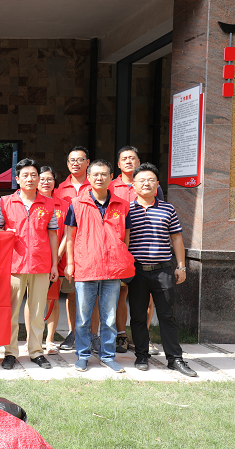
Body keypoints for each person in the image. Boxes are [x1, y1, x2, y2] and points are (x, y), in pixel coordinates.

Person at [126, 163, 197, 377]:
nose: (146, 183)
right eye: (141, 180)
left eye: (150, 180)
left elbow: (176, 238)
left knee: (167, 316)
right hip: (137, 271)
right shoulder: (127, 210)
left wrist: (181, 266)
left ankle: (174, 359)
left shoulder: (168, 209)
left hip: (163, 270)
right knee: (138, 316)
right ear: (133, 185)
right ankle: (141, 355)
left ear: (157, 184)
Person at [65, 159, 134, 373]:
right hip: (86, 266)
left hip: (113, 268)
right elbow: (70, 237)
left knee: (109, 318)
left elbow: (126, 236)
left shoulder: (122, 204)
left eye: (104, 174)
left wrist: (121, 258)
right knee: (83, 318)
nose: (99, 178)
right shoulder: (77, 203)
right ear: (88, 177)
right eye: (95, 174)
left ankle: (107, 356)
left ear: (111, 177)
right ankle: (83, 355)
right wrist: (70, 263)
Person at [0, 159, 59, 370]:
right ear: (17, 179)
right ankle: (10, 352)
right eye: (25, 175)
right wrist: (5, 233)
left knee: (37, 312)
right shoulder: (5, 202)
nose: (30, 179)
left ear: (39, 178)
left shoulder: (48, 204)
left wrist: (54, 265)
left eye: (33, 175)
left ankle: (36, 352)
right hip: (14, 264)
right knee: (11, 312)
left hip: (41, 264)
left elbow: (52, 234)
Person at [108, 146, 164, 354]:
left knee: (147, 296)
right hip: (121, 248)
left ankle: (143, 338)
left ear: (139, 162)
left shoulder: (152, 185)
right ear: (118, 164)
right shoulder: (111, 186)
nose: (128, 161)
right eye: (124, 158)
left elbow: (160, 213)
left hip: (146, 248)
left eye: (132, 158)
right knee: (121, 292)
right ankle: (121, 336)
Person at [22, 166, 71, 355]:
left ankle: (49, 340)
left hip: (56, 259)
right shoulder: (29, 203)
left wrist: (57, 254)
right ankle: (30, 339)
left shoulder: (63, 204)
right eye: (42, 179)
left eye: (49, 179)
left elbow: (67, 233)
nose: (45, 182)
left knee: (52, 299)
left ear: (55, 182)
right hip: (35, 259)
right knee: (31, 300)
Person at [54, 146, 91, 352]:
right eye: (71, 160)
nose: (75, 163)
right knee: (71, 294)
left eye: (80, 159)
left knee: (92, 295)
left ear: (88, 162)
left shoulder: (95, 185)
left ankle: (93, 335)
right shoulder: (60, 189)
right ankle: (72, 333)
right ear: (67, 164)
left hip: (90, 248)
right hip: (67, 249)